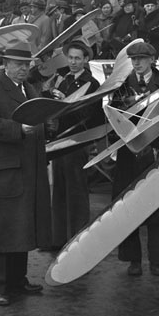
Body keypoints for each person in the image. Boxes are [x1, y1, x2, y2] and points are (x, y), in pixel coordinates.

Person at [0, 40, 51, 306]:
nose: (22, 69)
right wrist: (18, 129)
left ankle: (18, 280)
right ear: (5, 64)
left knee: (21, 227)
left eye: (26, 65)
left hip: (27, 169)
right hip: (4, 170)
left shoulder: (30, 89)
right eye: (18, 64)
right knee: (1, 230)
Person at [109, 41, 159, 277]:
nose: (137, 63)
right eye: (134, 59)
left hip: (156, 149)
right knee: (128, 205)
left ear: (152, 60)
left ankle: (158, 259)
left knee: (158, 207)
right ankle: (133, 259)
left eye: (141, 59)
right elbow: (113, 116)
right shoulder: (122, 85)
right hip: (129, 151)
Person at [44, 40, 102, 249]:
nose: (73, 62)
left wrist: (66, 100)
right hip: (60, 141)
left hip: (78, 141)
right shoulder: (64, 79)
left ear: (86, 60)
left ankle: (78, 239)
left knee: (76, 192)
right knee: (59, 190)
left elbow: (89, 114)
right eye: (70, 58)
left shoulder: (91, 83)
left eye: (77, 58)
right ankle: (57, 239)